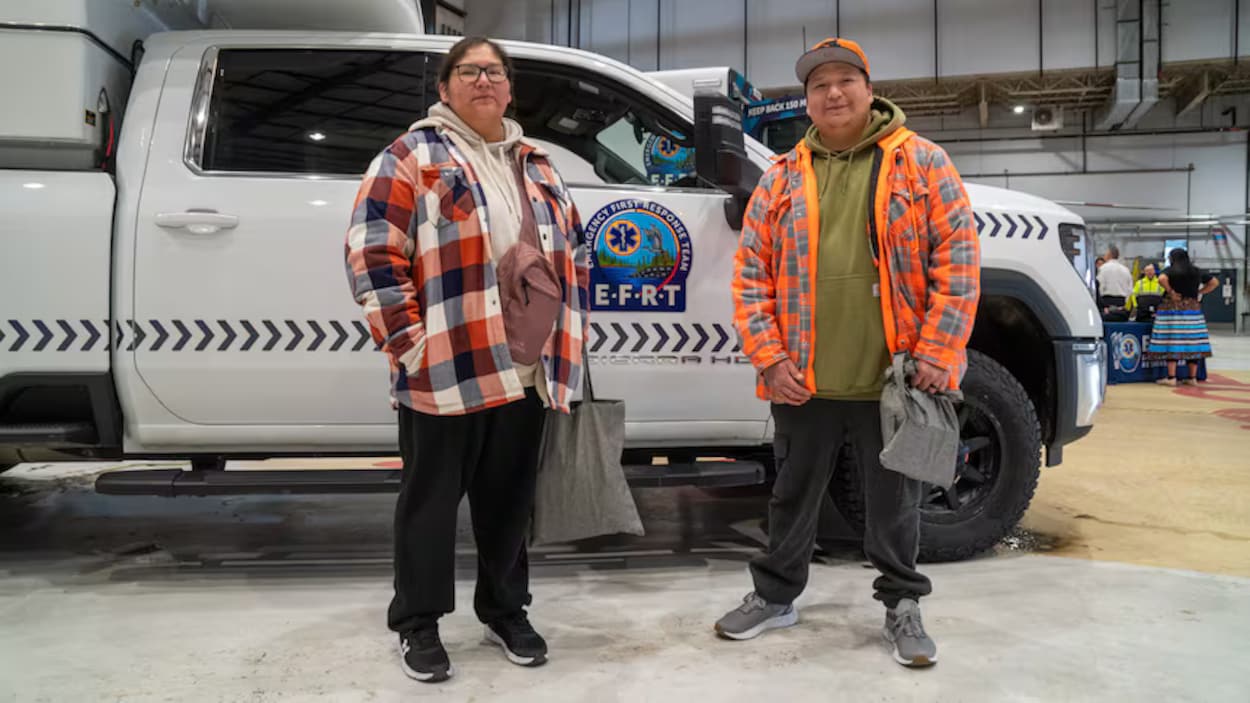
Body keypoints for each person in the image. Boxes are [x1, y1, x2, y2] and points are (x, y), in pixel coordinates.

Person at [720, 37, 980, 668]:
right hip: (801, 377)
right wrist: (769, 356)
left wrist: (936, 352)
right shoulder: (781, 177)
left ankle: (902, 603)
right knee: (791, 495)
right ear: (807, 100)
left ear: (869, 89)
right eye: (819, 85)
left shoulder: (923, 163)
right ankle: (775, 596)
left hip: (893, 379)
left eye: (845, 81)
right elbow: (751, 274)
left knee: (896, 504)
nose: (832, 93)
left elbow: (959, 261)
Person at [345, 36, 589, 683]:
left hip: (525, 368)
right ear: (445, 86)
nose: (484, 80)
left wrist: (567, 336)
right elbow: (372, 253)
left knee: (508, 502)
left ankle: (505, 610)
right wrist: (410, 345)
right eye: (470, 70)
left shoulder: (538, 163)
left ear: (509, 89)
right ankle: (418, 621)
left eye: (495, 72)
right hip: (446, 369)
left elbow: (574, 249)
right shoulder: (410, 157)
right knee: (429, 503)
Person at [1145, 248, 1217, 386]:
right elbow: (1214, 282)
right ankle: (1192, 378)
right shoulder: (1196, 271)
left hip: (1173, 310)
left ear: (1173, 259)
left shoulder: (1171, 270)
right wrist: (1200, 292)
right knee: (1193, 342)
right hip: (1193, 310)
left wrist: (1171, 291)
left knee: (1173, 340)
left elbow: (1161, 278)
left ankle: (1171, 377)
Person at [1097, 245, 1133, 311]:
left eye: (1105, 254)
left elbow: (1100, 286)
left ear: (1109, 255)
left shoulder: (1103, 268)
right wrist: (1125, 300)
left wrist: (1100, 302)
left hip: (1106, 302)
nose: (1104, 256)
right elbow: (1130, 288)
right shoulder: (1126, 270)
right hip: (1121, 302)